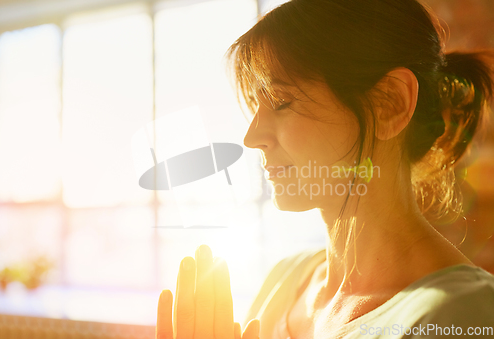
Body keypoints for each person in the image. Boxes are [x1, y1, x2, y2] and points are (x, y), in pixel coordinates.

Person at [155, 0, 494, 338]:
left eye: (281, 102)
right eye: (257, 106)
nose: (252, 136)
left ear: (390, 104)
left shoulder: (465, 313)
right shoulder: (286, 281)